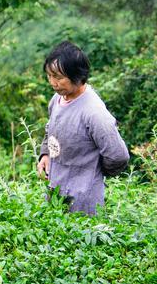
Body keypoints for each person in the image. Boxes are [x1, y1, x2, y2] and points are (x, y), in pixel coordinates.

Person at [37, 41, 130, 215]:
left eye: (58, 77)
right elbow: (50, 129)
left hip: (83, 203)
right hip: (55, 194)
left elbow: (118, 156)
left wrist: (92, 172)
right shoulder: (56, 100)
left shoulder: (93, 112)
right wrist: (46, 154)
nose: (52, 82)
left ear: (77, 76)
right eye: (49, 76)